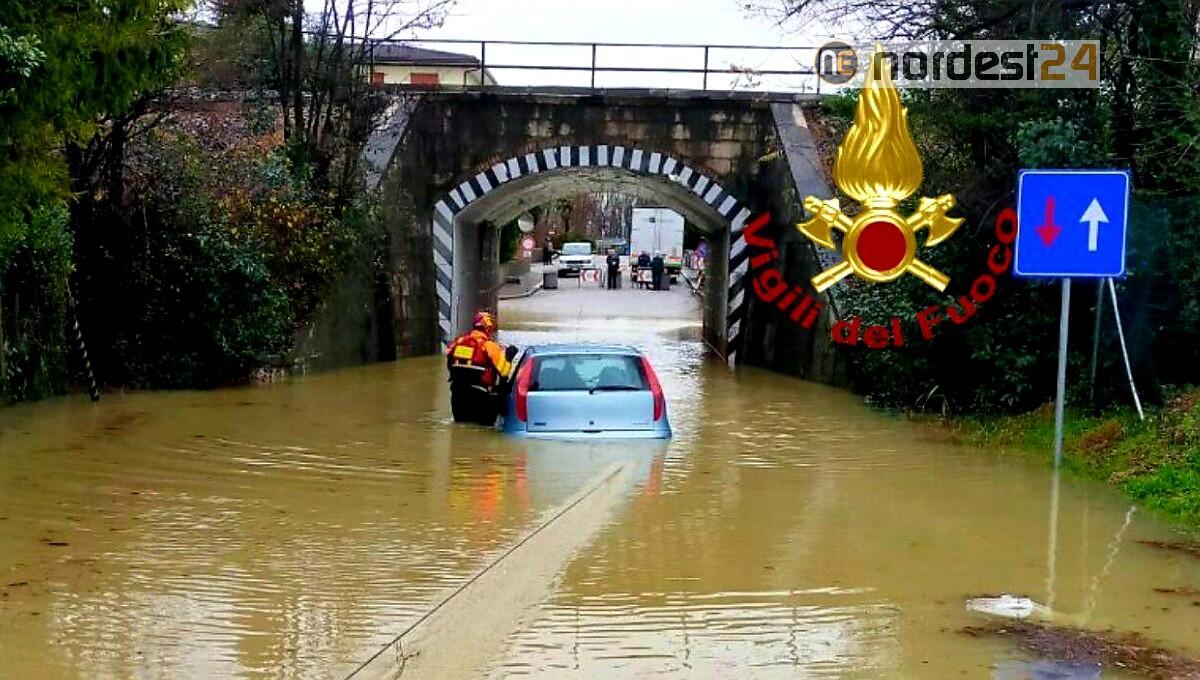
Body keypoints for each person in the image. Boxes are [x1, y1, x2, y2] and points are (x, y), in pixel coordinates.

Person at [445, 311, 515, 425]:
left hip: (457, 395)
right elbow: (503, 372)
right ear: (488, 328)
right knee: (483, 430)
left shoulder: (458, 342)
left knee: (460, 429)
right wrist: (509, 358)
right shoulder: (489, 346)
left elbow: (450, 363)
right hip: (480, 396)